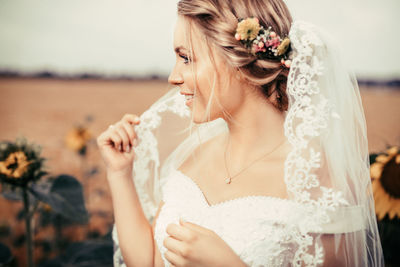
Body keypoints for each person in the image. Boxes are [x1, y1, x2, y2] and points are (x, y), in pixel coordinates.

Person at [97, 0, 384, 266]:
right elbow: (149, 261)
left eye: (187, 58)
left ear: (238, 60)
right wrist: (119, 174)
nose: (174, 77)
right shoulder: (195, 154)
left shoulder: (319, 177)